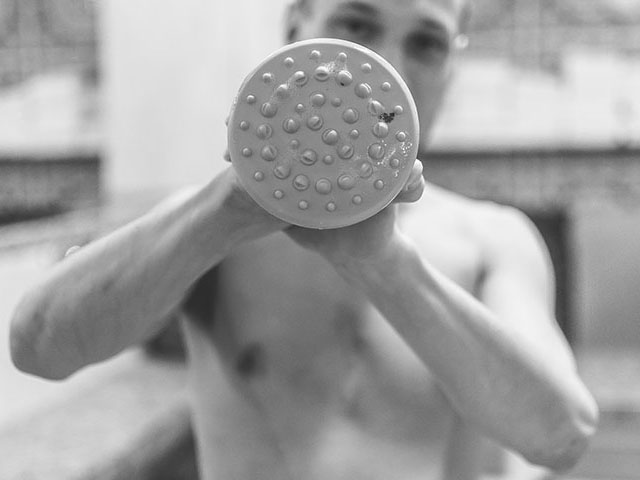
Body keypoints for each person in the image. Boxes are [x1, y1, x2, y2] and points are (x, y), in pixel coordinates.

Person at [10, 0, 599, 479]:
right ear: (296, 29)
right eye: (356, 25)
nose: (389, 65)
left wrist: (384, 265)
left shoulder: (491, 238)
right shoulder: (215, 224)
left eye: (427, 43)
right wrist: (227, 211)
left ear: (452, 69)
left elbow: (560, 436)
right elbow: (38, 347)